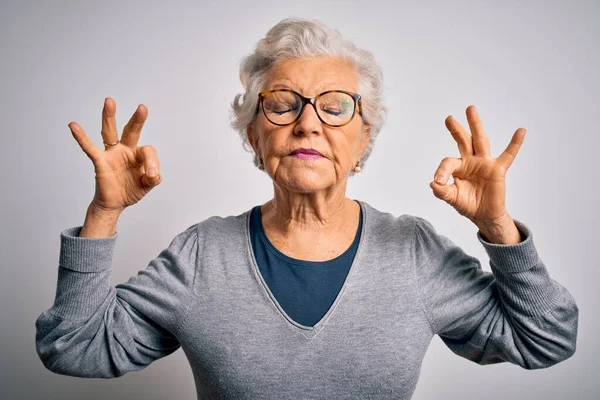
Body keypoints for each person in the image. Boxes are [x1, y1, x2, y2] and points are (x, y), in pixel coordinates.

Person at [35, 18, 578, 399]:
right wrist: (103, 215)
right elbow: (74, 348)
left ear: (365, 139)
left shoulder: (412, 251)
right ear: (254, 137)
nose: (308, 122)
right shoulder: (204, 254)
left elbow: (546, 338)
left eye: (336, 106)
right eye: (281, 104)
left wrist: (498, 229)